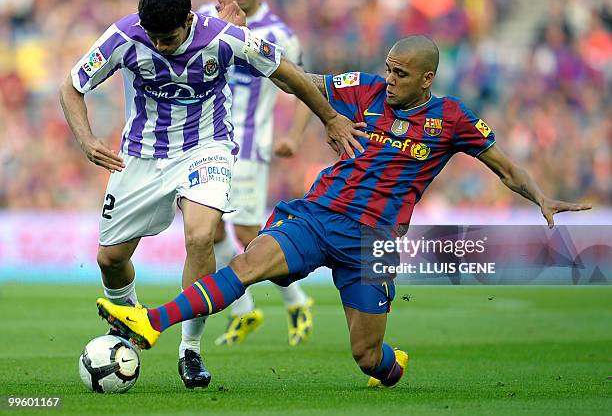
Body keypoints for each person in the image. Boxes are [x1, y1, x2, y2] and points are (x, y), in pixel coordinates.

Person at [95, 35, 591, 388]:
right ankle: (151, 321)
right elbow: (300, 81)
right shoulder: (366, 88)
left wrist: (541, 198)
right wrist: (240, 46)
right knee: (245, 266)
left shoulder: (453, 119)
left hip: (373, 243)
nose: (390, 77)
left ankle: (391, 367)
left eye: (400, 71)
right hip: (317, 216)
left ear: (427, 77)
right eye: (389, 66)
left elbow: (504, 168)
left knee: (367, 356)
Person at [59, 0, 365, 389]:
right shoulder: (123, 36)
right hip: (141, 155)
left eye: (168, 39)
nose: (162, 47)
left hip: (206, 148)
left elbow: (288, 74)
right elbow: (71, 87)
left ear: (189, 19)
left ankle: (190, 348)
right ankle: (126, 320)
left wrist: (330, 117)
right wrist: (87, 140)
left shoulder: (223, 39)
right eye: (154, 39)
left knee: (201, 237)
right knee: (109, 259)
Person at [198, 0, 315, 348]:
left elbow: (303, 86)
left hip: (248, 149)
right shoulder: (200, 19)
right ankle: (245, 308)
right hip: (204, 145)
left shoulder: (280, 34)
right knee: (207, 228)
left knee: (248, 232)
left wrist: (295, 136)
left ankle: (296, 299)